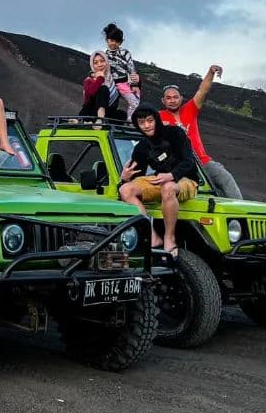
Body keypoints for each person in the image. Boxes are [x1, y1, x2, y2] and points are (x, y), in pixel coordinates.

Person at [118, 104, 198, 255]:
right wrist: (125, 178)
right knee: (125, 190)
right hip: (160, 180)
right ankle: (153, 237)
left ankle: (169, 238)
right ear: (137, 125)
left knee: (168, 187)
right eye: (142, 123)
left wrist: (171, 175)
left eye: (150, 120)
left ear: (156, 119)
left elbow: (189, 162)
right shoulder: (142, 147)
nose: (147, 126)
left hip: (186, 179)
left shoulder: (175, 133)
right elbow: (136, 174)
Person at [159, 65, 243, 199]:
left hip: (203, 161)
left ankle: (240, 216)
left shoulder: (190, 109)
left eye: (175, 97)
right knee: (200, 195)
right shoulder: (159, 117)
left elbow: (202, 91)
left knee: (226, 179)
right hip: (181, 165)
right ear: (163, 101)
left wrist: (211, 72)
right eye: (168, 98)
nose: (172, 100)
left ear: (181, 98)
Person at [102, 22, 140, 116]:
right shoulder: (104, 55)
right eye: (111, 40)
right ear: (107, 40)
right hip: (110, 84)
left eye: (116, 41)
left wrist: (134, 84)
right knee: (107, 104)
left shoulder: (124, 53)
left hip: (124, 83)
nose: (113, 43)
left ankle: (130, 121)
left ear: (120, 42)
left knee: (134, 102)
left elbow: (131, 67)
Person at [79, 50, 117, 119]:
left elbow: (126, 85)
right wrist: (100, 79)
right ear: (92, 65)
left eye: (102, 61)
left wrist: (136, 82)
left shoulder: (112, 78)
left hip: (108, 112)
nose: (99, 64)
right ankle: (99, 120)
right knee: (103, 88)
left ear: (107, 62)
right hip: (90, 111)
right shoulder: (89, 79)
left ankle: (103, 119)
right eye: (96, 63)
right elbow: (88, 96)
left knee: (122, 114)